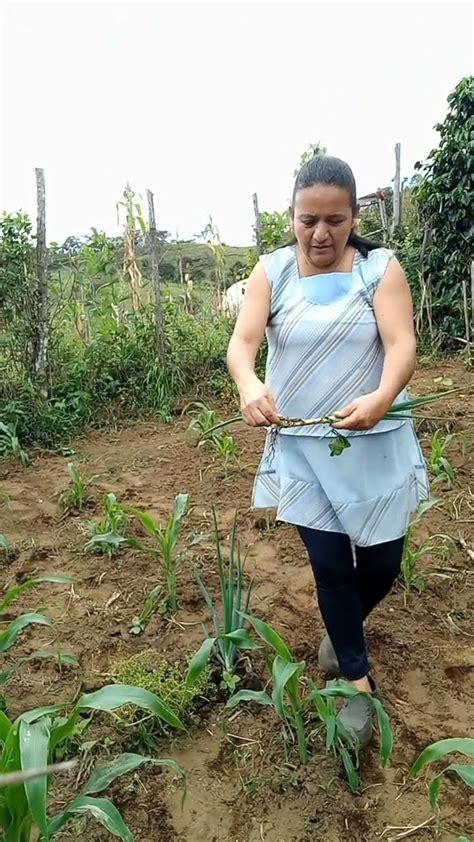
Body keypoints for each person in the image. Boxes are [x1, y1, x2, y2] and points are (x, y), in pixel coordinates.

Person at [227, 155, 429, 745]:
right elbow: (242, 344)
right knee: (333, 569)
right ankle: (356, 682)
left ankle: (342, 632)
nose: (320, 234)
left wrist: (383, 396)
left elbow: (401, 343)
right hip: (303, 445)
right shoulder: (273, 272)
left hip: (375, 441)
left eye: (335, 221)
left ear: (354, 215)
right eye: (308, 220)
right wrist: (248, 383)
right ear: (291, 216)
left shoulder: (380, 270)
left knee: (384, 565)